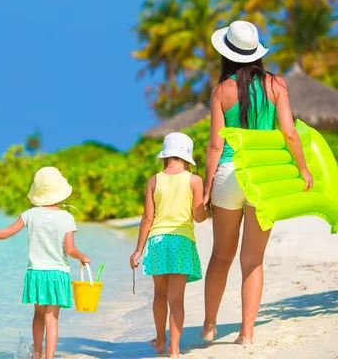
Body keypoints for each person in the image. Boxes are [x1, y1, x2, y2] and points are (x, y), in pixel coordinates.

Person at [201, 21, 314, 345]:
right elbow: (290, 132)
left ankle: (209, 326)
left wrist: (208, 189)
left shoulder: (222, 90)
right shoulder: (277, 85)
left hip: (229, 174)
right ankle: (246, 334)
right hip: (263, 177)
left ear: (227, 53)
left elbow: (215, 146)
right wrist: (303, 170)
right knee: (252, 261)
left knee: (221, 256)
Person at [0, 167, 90, 359]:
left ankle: (37, 354)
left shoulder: (30, 215)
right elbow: (70, 249)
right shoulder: (67, 218)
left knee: (39, 315)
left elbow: (5, 233)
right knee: (52, 319)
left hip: (37, 274)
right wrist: (83, 257)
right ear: (61, 193)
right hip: (57, 275)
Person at [130, 132, 208, 358]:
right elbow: (199, 217)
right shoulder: (194, 180)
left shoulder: (154, 180)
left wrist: (138, 250)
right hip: (182, 240)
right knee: (176, 299)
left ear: (165, 155)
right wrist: (206, 206)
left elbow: (147, 218)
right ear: (186, 156)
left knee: (159, 295)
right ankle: (174, 349)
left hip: (157, 241)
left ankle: (161, 340)